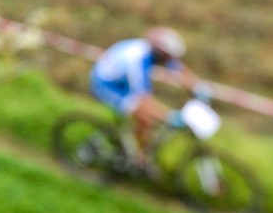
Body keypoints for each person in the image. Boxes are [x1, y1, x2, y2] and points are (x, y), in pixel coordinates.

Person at [90, 26, 211, 165]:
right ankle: (138, 158)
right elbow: (144, 98)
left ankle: (135, 148)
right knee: (146, 119)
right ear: (160, 53)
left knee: (147, 117)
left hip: (122, 81)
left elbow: (178, 70)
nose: (169, 61)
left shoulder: (155, 54)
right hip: (107, 85)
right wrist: (169, 116)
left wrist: (198, 87)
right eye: (167, 57)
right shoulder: (137, 61)